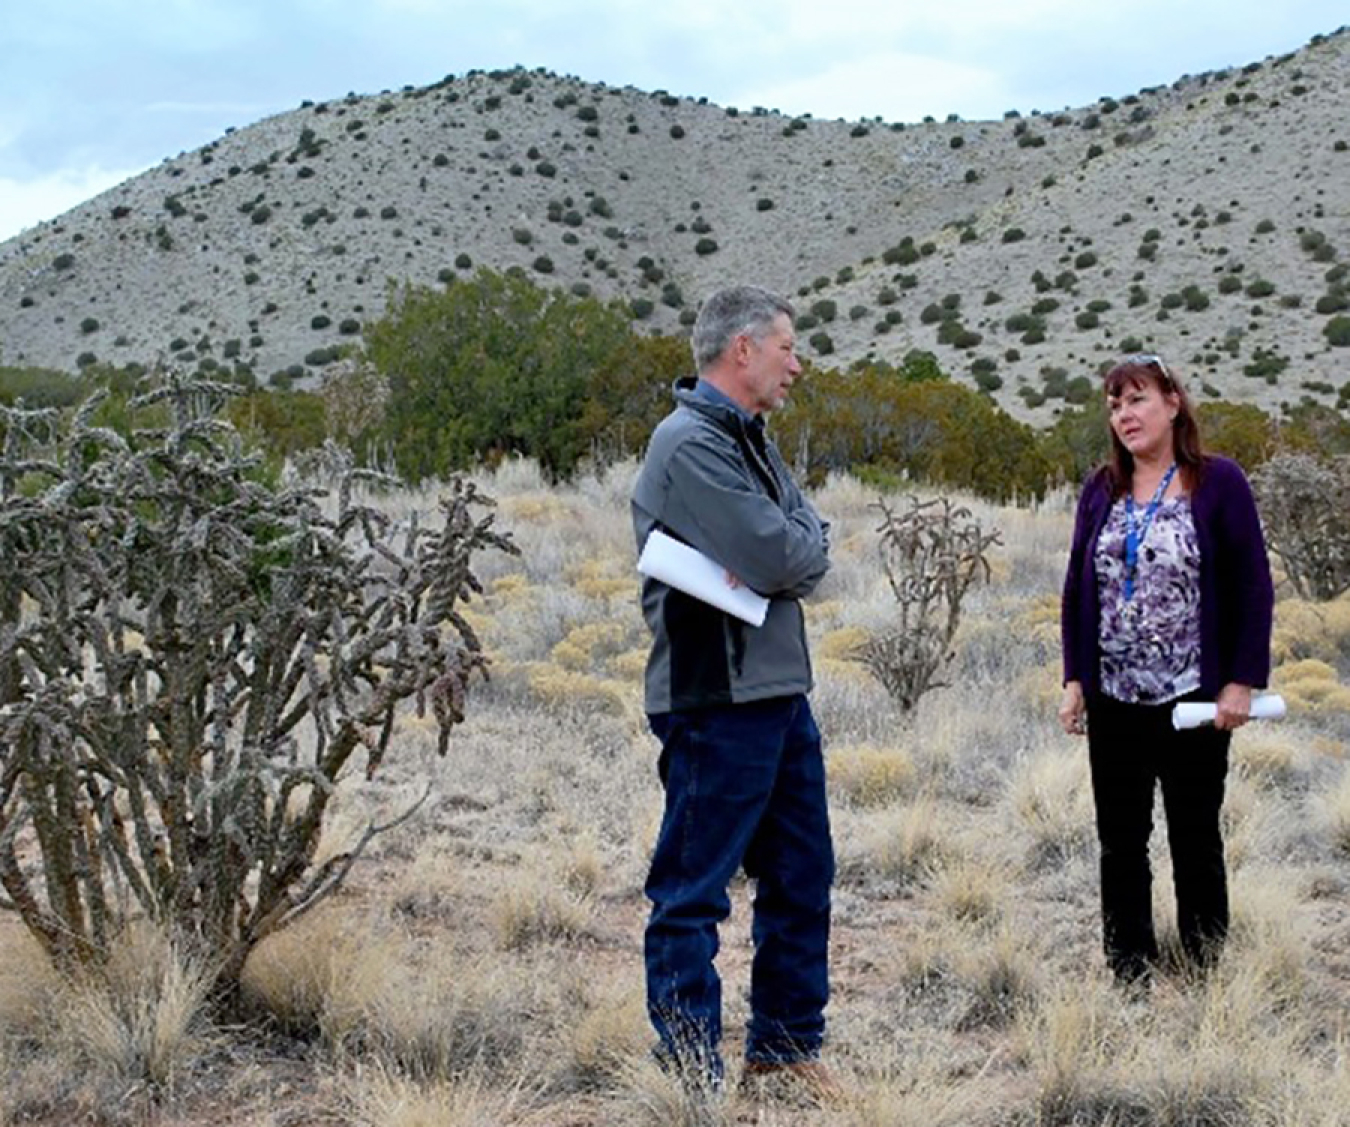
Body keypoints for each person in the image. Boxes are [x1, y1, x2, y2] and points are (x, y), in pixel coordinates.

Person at [631, 285, 837, 1096]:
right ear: (742, 348)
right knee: (694, 888)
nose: (797, 361)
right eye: (787, 345)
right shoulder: (687, 445)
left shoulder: (750, 439)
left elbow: (801, 536)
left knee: (801, 873)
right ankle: (688, 1072)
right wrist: (798, 545)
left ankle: (784, 1051)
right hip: (715, 697)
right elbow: (784, 554)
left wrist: (798, 542)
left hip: (778, 690)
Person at [1059, 353, 1274, 985]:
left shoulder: (1219, 482)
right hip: (1115, 698)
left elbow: (1252, 586)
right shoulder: (1102, 488)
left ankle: (1203, 968)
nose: (1125, 415)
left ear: (1173, 403)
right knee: (1121, 842)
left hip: (1193, 699)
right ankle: (1129, 970)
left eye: (1137, 399)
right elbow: (1078, 588)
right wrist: (1076, 680)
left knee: (1194, 838)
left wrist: (1241, 680)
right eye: (1115, 405)